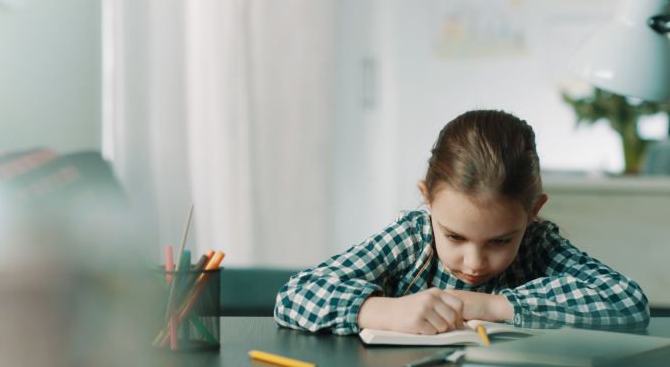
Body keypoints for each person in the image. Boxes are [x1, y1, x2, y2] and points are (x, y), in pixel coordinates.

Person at [273, 110, 650, 336]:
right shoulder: (412, 238)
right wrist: (381, 311)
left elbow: (628, 302)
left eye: (500, 241)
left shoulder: (538, 244)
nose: (473, 262)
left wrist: (491, 306)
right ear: (428, 198)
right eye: (454, 236)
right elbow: (295, 295)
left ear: (533, 211)